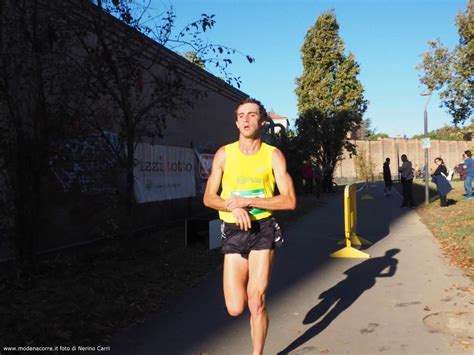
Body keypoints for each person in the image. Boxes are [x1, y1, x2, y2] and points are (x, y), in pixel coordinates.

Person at [203, 98, 297, 355]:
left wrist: (250, 200)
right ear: (236, 122)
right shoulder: (224, 154)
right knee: (235, 307)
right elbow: (209, 197)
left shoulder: (273, 156)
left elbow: (289, 201)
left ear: (262, 122)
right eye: (241, 115)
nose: (245, 119)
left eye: (251, 114)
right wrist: (232, 206)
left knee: (256, 301)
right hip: (233, 230)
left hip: (263, 229)